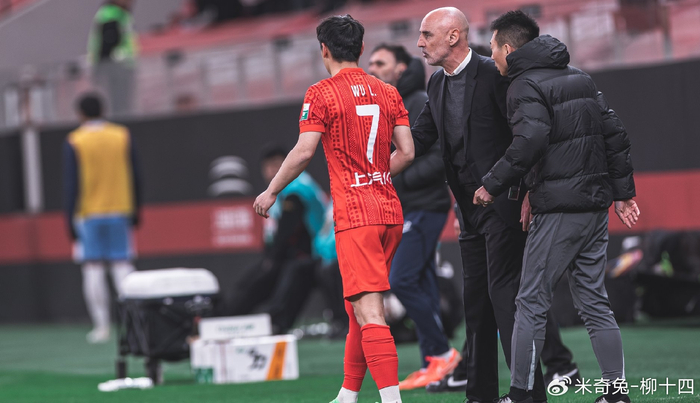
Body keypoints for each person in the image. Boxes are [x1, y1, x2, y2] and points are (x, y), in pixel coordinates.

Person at [410, 7, 577, 402]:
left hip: (504, 202)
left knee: (506, 300)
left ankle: (529, 394)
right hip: (468, 209)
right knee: (476, 307)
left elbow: (528, 136)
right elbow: (419, 138)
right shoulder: (436, 83)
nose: (419, 43)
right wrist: (375, 153)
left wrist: (530, 191)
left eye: (427, 34)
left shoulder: (495, 74)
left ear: (454, 36)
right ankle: (480, 395)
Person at [477, 11, 639, 403]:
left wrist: (492, 184)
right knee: (595, 303)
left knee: (529, 302)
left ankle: (519, 396)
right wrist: (623, 193)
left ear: (509, 48)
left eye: (493, 47)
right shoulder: (580, 77)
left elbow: (531, 140)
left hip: (559, 211)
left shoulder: (523, 84)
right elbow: (615, 133)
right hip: (594, 208)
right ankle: (616, 394)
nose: (491, 55)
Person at [253, 14, 415, 403]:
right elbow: (408, 152)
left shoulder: (321, 93)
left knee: (370, 311)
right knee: (358, 306)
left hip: (356, 217)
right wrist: (376, 175)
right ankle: (347, 394)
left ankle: (391, 400)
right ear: (361, 48)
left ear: (323, 50)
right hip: (389, 212)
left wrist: (271, 191)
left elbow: (303, 151)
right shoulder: (388, 91)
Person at [368, 44, 459, 390]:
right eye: (371, 62)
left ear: (401, 68)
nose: (373, 68)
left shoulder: (418, 100)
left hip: (425, 206)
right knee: (422, 282)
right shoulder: (386, 103)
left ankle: (442, 353)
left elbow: (440, 157)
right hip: (406, 207)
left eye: (381, 62)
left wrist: (397, 177)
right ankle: (433, 364)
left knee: (402, 279)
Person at [63, 93, 141, 343]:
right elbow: (135, 174)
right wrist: (136, 209)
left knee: (93, 269)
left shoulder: (75, 140)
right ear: (104, 109)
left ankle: (101, 327)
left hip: (89, 213)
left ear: (80, 114)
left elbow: (71, 184)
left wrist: (69, 218)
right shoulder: (121, 135)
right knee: (122, 267)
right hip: (120, 209)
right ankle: (134, 323)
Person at [227, 145, 328, 334]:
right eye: (268, 166)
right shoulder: (278, 191)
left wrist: (272, 259)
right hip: (297, 255)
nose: (272, 171)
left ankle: (275, 325)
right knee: (257, 277)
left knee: (285, 271)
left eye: (277, 165)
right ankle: (225, 320)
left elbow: (288, 232)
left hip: (319, 255)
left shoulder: (297, 188)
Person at [88, 0, 138, 117]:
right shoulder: (112, 14)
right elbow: (108, 42)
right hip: (117, 66)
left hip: (119, 66)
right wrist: (100, 67)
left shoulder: (117, 13)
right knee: (119, 103)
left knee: (120, 103)